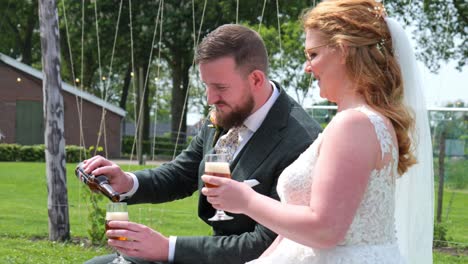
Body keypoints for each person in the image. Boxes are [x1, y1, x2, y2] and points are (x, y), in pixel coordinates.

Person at [202, 0, 434, 263]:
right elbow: (293, 232)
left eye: (313, 54)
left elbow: (325, 230)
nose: (307, 67)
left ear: (342, 50)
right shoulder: (364, 122)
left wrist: (246, 200)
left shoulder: (353, 124)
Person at [83, 24, 322, 264]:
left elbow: (266, 245)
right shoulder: (227, 112)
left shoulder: (301, 142)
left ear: (256, 79)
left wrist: (168, 248)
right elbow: (180, 174)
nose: (210, 98)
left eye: (220, 87)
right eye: (206, 86)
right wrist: (127, 182)